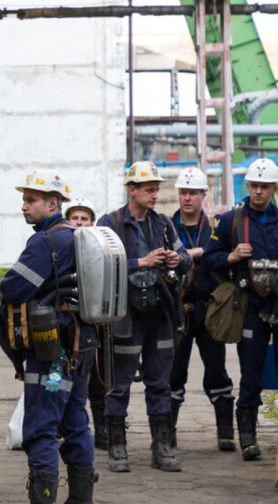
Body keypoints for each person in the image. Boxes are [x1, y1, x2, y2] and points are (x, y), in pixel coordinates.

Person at [203, 157, 278, 461]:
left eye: (265, 186)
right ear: (247, 186)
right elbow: (209, 260)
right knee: (250, 374)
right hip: (251, 306)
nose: (259, 192)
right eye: (254, 185)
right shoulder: (231, 222)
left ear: (275, 187)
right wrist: (232, 256)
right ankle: (248, 439)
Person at [0, 171, 95, 504]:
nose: (24, 206)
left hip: (53, 354)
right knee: (75, 422)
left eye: (31, 200)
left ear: (53, 203)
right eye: (24, 199)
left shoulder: (46, 242)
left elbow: (11, 288)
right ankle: (82, 503)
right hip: (84, 348)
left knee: (41, 425)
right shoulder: (81, 237)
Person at [97, 161, 191, 473]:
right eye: (149, 189)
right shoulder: (109, 223)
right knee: (119, 383)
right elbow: (100, 264)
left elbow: (187, 257)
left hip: (160, 313)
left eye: (156, 189)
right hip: (126, 315)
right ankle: (117, 448)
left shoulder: (163, 223)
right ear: (132, 190)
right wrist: (143, 261)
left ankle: (161, 448)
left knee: (160, 382)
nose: (154, 194)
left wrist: (177, 259)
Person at [166, 168, 235, 452]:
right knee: (173, 373)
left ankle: (226, 433)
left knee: (217, 371)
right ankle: (166, 434)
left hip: (209, 311)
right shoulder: (165, 227)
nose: (187, 198)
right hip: (177, 310)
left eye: (193, 192)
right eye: (183, 192)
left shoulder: (217, 230)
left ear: (203, 195)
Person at [64, 197, 109, 451]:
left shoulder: (100, 249)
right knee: (63, 380)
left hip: (95, 326)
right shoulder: (58, 247)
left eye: (84, 219)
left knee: (98, 380)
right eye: (75, 218)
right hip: (67, 328)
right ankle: (65, 429)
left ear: (92, 223)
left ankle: (101, 432)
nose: (79, 224)